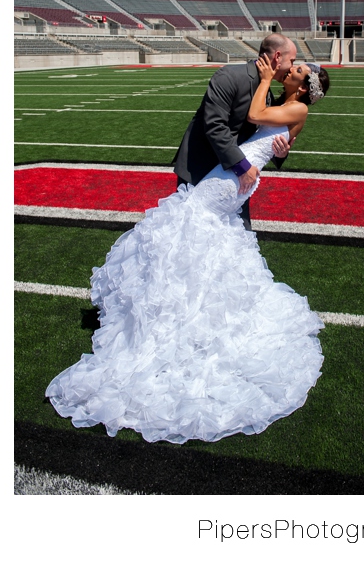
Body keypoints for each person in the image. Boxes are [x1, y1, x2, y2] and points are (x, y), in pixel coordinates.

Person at [46, 58, 330, 445]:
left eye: (297, 70)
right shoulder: (290, 101)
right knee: (199, 232)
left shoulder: (296, 105)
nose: (290, 69)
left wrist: (264, 81)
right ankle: (191, 302)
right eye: (291, 65)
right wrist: (281, 143)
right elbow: (277, 138)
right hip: (234, 176)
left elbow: (257, 114)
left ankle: (180, 310)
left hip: (233, 179)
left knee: (190, 222)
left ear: (304, 85)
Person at [173, 34, 298, 229]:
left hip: (235, 178)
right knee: (191, 237)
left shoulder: (266, 91)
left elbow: (261, 137)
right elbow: (215, 126)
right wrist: (242, 167)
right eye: (292, 61)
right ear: (278, 56)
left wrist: (280, 153)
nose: (292, 67)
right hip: (202, 171)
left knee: (239, 236)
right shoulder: (229, 76)